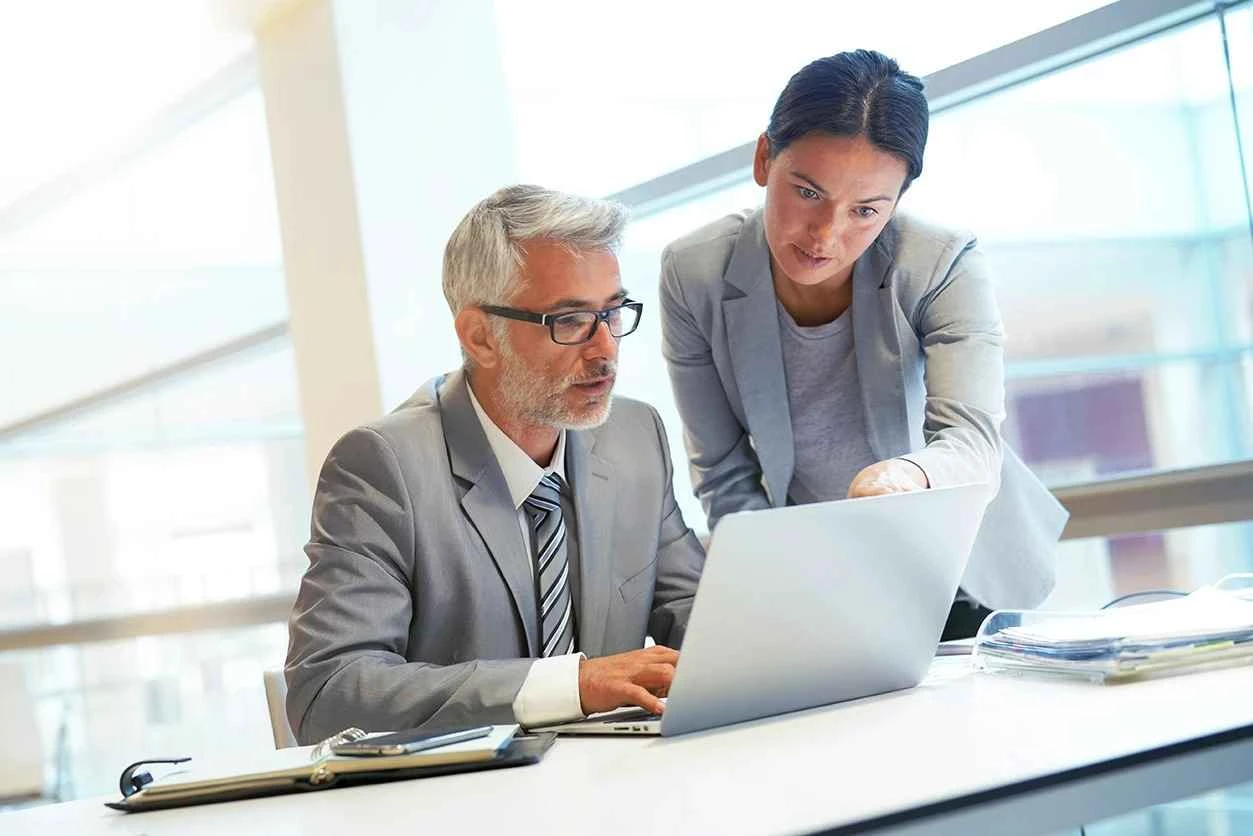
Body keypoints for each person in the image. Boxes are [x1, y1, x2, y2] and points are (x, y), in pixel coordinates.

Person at [659, 50, 1066, 637]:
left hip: (958, 565)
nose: (827, 235)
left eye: (866, 211)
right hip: (813, 579)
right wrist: (779, 587)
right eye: (806, 192)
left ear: (898, 202)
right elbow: (724, 472)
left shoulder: (941, 261)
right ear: (763, 158)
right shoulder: (693, 273)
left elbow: (972, 442)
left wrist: (902, 479)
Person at [286, 185, 704, 744]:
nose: (605, 349)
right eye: (571, 320)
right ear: (480, 336)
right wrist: (571, 685)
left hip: (619, 789)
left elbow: (697, 613)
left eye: (613, 312)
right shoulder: (384, 467)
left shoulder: (633, 437)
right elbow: (329, 692)